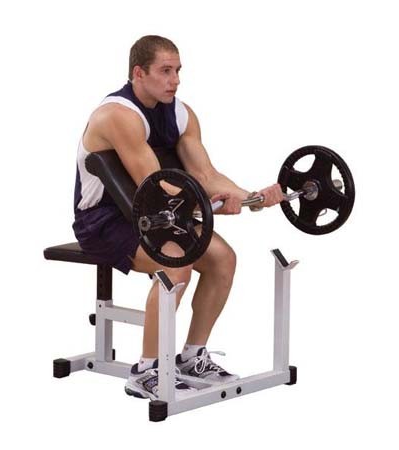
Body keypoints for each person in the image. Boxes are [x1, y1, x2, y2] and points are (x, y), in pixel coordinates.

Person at [73, 35, 284, 400]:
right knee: (176, 264)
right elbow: (155, 185)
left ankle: (192, 357)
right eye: (165, 71)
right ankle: (146, 370)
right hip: (103, 221)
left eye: (178, 71)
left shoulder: (181, 114)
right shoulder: (117, 115)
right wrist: (208, 204)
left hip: (158, 215)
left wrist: (249, 196)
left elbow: (205, 174)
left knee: (223, 259)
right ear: (139, 73)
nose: (175, 80)